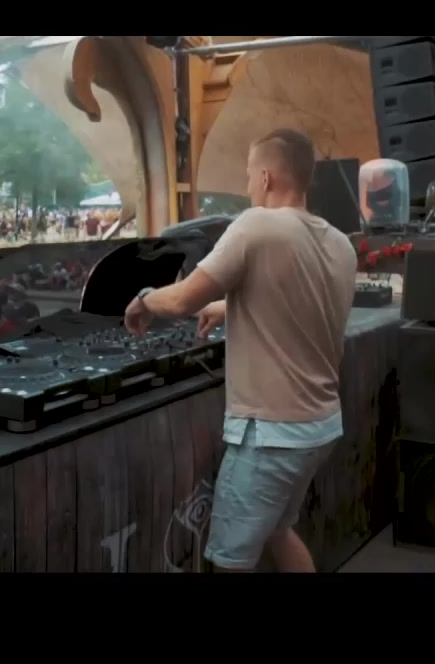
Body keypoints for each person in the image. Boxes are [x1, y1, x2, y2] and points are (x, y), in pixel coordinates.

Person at [122, 129, 356, 573]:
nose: (249, 185)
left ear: (265, 177)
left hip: (271, 436)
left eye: (249, 175)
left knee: (228, 561)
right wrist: (227, 307)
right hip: (320, 426)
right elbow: (300, 304)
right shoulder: (338, 243)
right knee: (278, 531)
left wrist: (144, 298)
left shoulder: (256, 225)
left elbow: (180, 300)